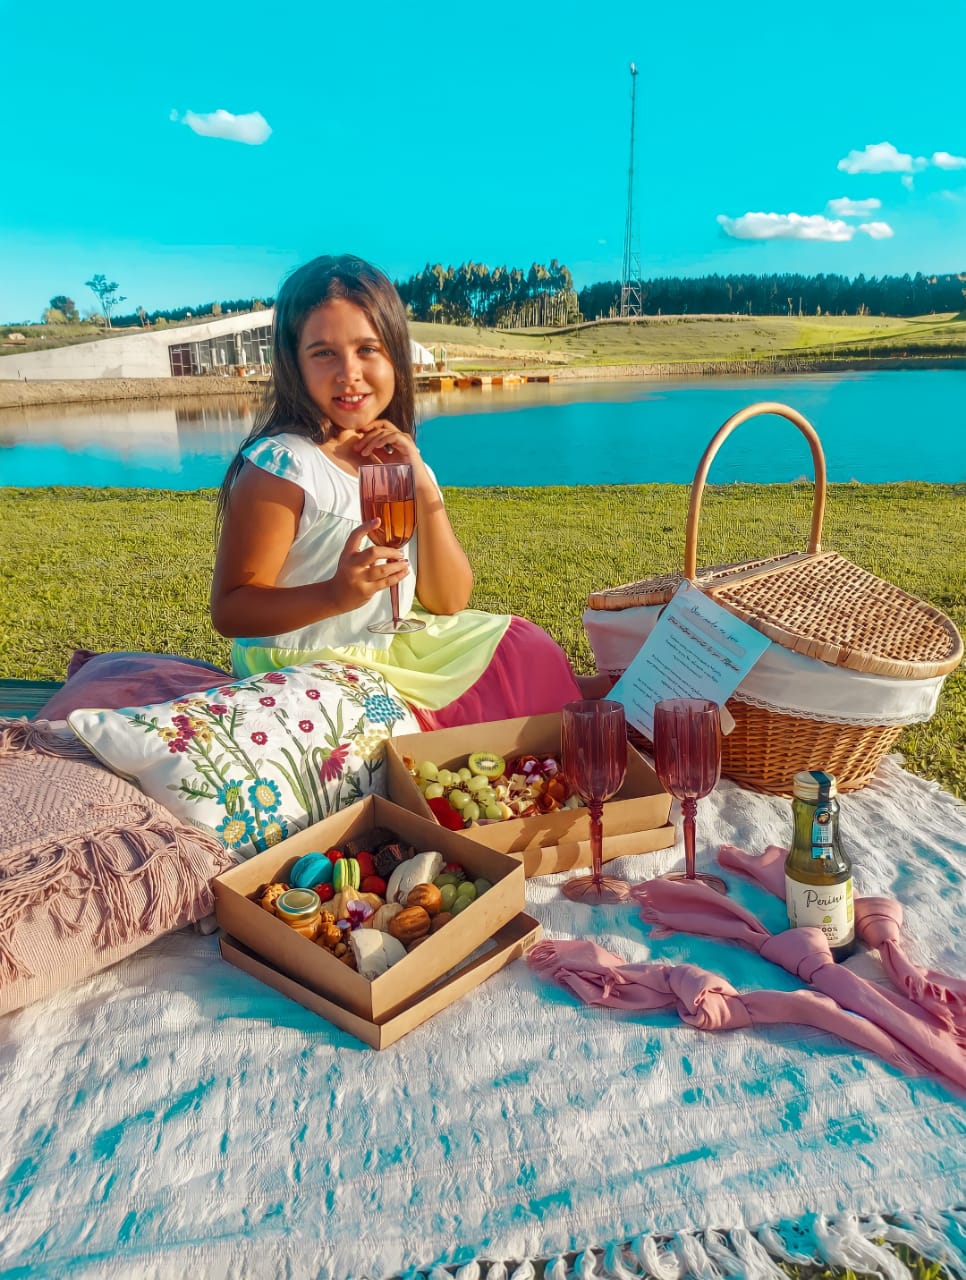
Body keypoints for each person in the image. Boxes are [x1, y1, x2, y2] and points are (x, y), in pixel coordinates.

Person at [210, 253, 590, 729]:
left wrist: (422, 483)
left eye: (368, 349)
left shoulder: (400, 460)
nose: (349, 372)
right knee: (393, 727)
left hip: (382, 646)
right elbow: (231, 610)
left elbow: (448, 600)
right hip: (302, 659)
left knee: (526, 648)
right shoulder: (285, 465)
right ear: (294, 364)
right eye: (323, 352)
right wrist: (333, 594)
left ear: (395, 356)